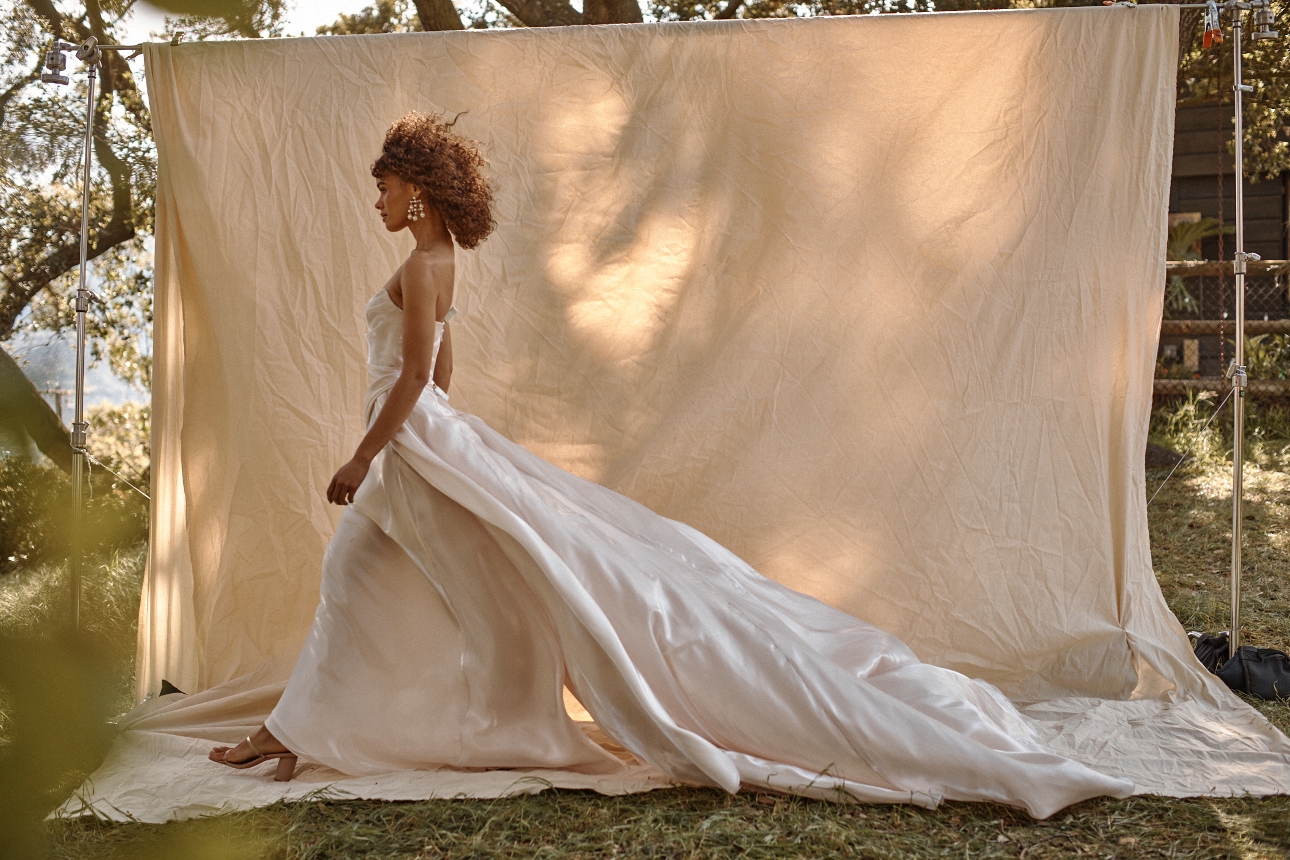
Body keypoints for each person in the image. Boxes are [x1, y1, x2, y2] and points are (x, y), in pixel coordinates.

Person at [210, 112, 1133, 817]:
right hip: (429, 434)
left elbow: (416, 375)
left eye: (381, 188)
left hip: (411, 440)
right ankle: (310, 730)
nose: (373, 203)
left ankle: (300, 733)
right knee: (397, 573)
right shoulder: (440, 262)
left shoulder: (419, 268)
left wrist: (362, 451)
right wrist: (425, 427)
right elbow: (443, 372)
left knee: (380, 569)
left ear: (414, 188)